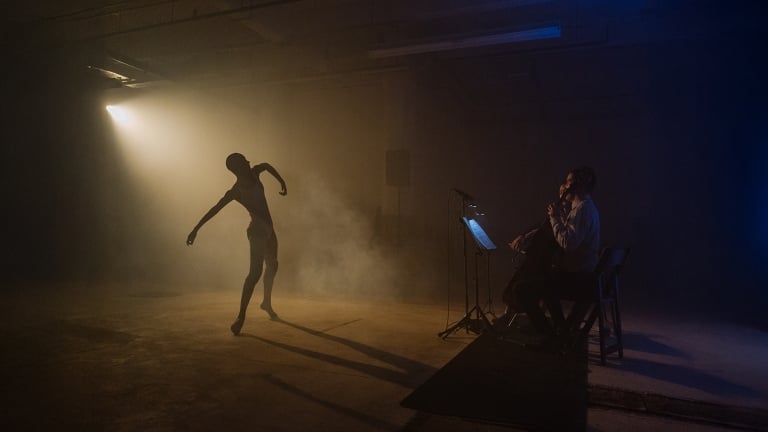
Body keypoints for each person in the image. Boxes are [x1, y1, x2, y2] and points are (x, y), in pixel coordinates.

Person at [186, 153, 287, 335]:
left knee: (273, 264)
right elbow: (215, 209)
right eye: (244, 161)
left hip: (269, 230)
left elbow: (266, 164)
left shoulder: (255, 172)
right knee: (254, 274)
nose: (249, 161)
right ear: (237, 168)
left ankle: (266, 303)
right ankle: (241, 316)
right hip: (256, 231)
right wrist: (196, 229)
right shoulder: (236, 190)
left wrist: (282, 181)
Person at [498, 166, 601, 344]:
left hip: (578, 279)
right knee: (545, 280)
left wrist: (554, 218)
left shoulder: (582, 210)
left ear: (578, 185)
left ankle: (549, 336)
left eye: (569, 182)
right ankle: (560, 330)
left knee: (521, 289)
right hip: (583, 275)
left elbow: (568, 244)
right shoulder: (584, 208)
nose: (565, 185)